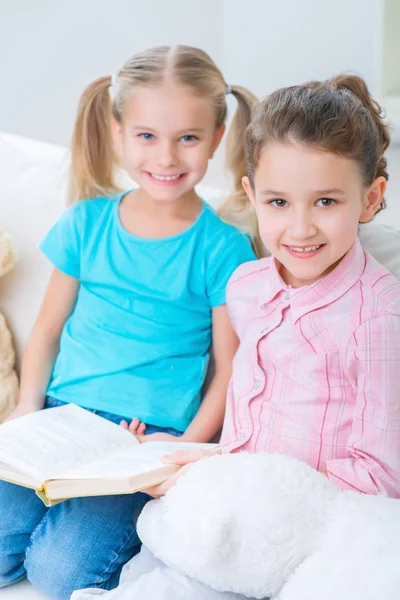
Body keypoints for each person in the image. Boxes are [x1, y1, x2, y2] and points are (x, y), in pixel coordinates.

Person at [82, 73, 400, 600]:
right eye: (278, 203)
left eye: (326, 202)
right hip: (241, 507)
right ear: (252, 194)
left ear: (370, 199)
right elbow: (250, 414)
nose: (300, 229)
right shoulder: (248, 287)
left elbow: (381, 474)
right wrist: (198, 454)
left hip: (323, 526)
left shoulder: (377, 315)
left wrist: (231, 473)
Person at [0, 45, 257, 599]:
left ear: (216, 137)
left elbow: (230, 367)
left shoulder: (223, 248)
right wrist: (26, 409)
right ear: (117, 132)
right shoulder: (86, 223)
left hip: (141, 442)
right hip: (58, 420)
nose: (167, 156)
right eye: (147, 135)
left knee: (59, 574)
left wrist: (184, 450)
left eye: (188, 137)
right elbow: (46, 329)